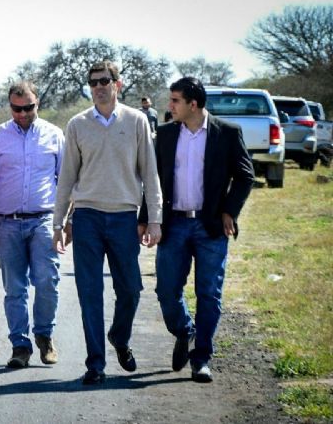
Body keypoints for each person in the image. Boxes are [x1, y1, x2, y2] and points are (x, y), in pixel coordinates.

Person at [52, 60, 163, 385]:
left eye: (104, 81)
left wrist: (154, 219)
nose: (98, 87)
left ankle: (119, 336)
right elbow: (67, 178)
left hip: (124, 218)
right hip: (86, 217)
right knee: (90, 292)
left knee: (130, 289)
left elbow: (150, 174)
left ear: (118, 83)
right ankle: (95, 364)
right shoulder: (77, 124)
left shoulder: (137, 121)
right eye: (93, 82)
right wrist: (58, 223)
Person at [140, 77, 254, 382]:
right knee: (166, 290)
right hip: (173, 223)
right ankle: (185, 330)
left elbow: (245, 176)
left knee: (209, 294)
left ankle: (201, 358)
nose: (169, 106)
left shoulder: (226, 134)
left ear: (193, 104)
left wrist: (230, 210)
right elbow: (152, 181)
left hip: (210, 226)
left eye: (175, 100)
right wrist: (145, 218)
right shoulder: (164, 135)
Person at [0, 81, 64, 369]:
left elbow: (67, 182)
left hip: (44, 220)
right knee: (15, 287)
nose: (22, 114)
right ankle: (20, 345)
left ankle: (44, 335)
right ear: (10, 106)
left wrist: (67, 220)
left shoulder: (54, 135)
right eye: (16, 108)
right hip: (8, 223)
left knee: (47, 280)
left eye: (28, 108)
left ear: (38, 104)